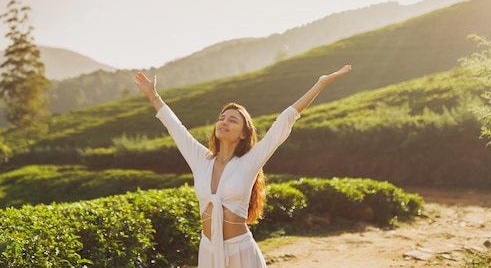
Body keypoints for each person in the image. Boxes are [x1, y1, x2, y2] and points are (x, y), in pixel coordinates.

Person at [133, 65, 351, 268]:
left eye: (233, 120)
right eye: (222, 118)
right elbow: (175, 126)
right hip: (208, 251)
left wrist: (321, 83)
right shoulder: (201, 159)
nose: (224, 122)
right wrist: (153, 94)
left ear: (244, 133)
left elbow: (286, 120)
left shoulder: (249, 162)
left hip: (241, 252)